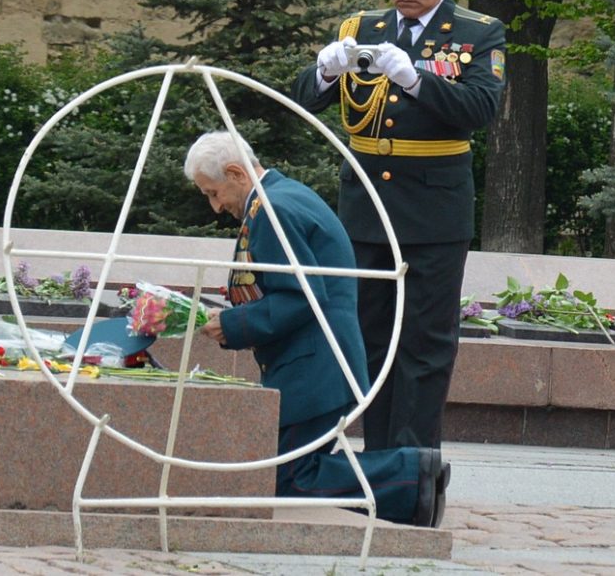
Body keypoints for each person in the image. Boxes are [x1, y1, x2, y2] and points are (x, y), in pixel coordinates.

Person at [291, 0, 507, 452]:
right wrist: (324, 70)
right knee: (367, 338)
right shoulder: (362, 29)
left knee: (425, 346)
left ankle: (411, 468)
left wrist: (413, 80)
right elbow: (300, 99)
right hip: (368, 207)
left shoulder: (477, 33)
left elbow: (482, 107)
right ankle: (375, 457)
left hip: (434, 213)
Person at [185, 131, 450, 527]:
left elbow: (300, 296)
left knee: (286, 477)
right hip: (318, 365)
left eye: (213, 192)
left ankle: (412, 476)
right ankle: (413, 479)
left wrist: (233, 324)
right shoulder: (280, 198)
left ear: (236, 173)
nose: (215, 207)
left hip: (315, 369)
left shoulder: (273, 210)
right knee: (288, 472)